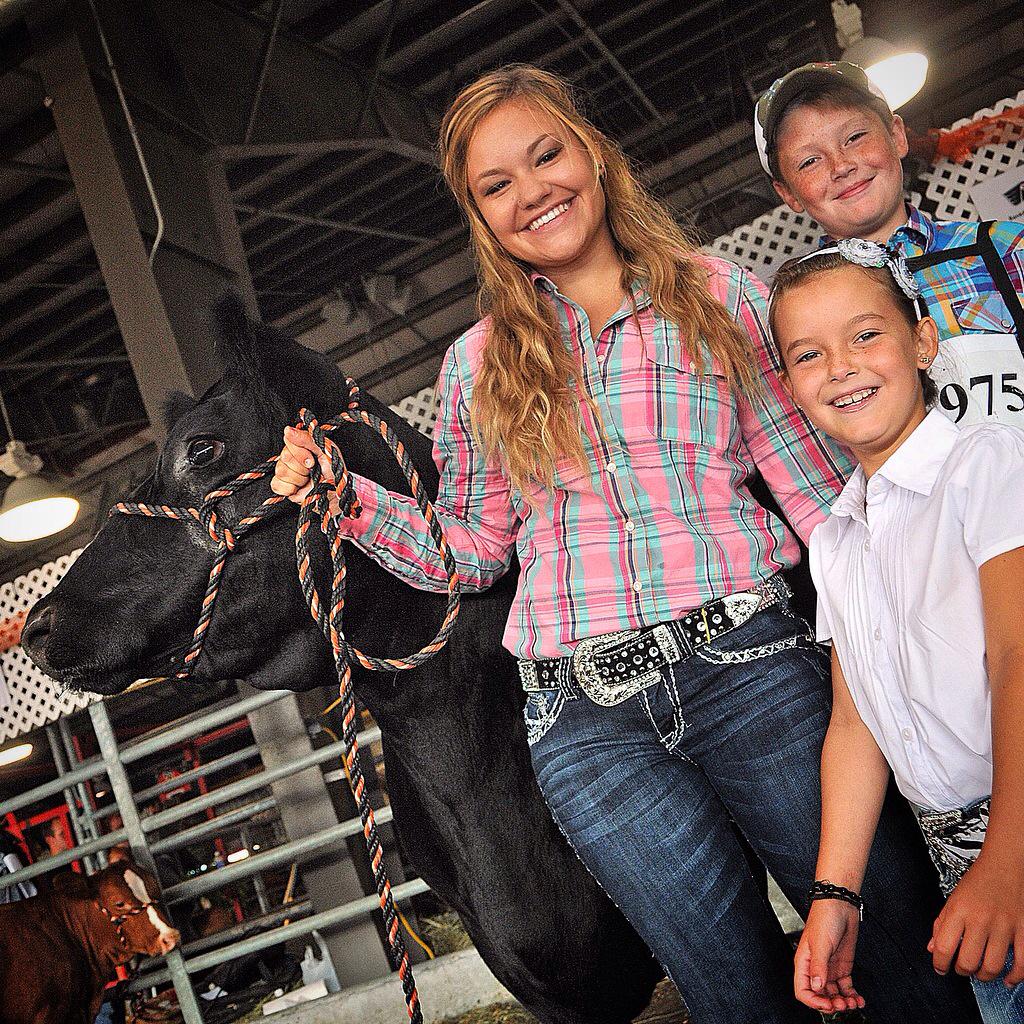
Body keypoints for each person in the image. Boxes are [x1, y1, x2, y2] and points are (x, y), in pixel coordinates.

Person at [272, 65, 978, 1022]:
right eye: (497, 186)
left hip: (753, 667)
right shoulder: (476, 365)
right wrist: (342, 496)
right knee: (733, 997)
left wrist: (932, 622)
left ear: (595, 157)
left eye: (547, 155)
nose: (533, 192)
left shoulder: (721, 294)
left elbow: (820, 500)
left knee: (886, 940)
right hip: (585, 720)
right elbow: (471, 551)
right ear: (481, 217)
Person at [769, 238, 1024, 1022]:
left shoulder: (987, 462)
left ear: (922, 340)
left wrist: (1008, 861)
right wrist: (833, 897)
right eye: (809, 354)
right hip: (962, 866)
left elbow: (1018, 654)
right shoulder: (837, 541)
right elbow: (854, 725)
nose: (840, 365)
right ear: (789, 388)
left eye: (865, 334)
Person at [755, 60, 1024, 426]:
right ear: (788, 194)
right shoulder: (796, 315)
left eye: (854, 137)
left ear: (897, 136)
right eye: (810, 161)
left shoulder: (1005, 250)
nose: (841, 165)